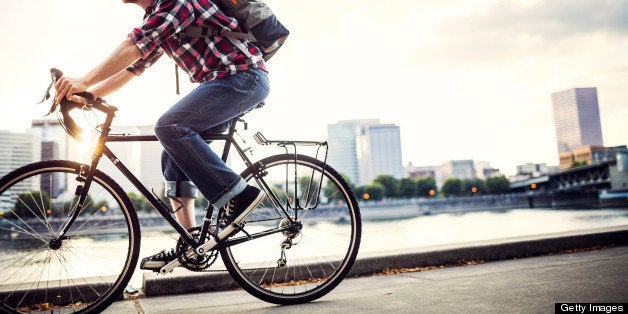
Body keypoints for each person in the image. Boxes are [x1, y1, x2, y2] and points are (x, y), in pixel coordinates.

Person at [54, 0, 269, 271]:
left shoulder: (175, 2)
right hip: (224, 82)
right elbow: (132, 68)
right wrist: (88, 94)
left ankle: (239, 195)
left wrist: (85, 80)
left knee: (170, 127)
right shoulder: (157, 14)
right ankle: (192, 244)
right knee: (173, 149)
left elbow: (135, 45)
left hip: (242, 78)